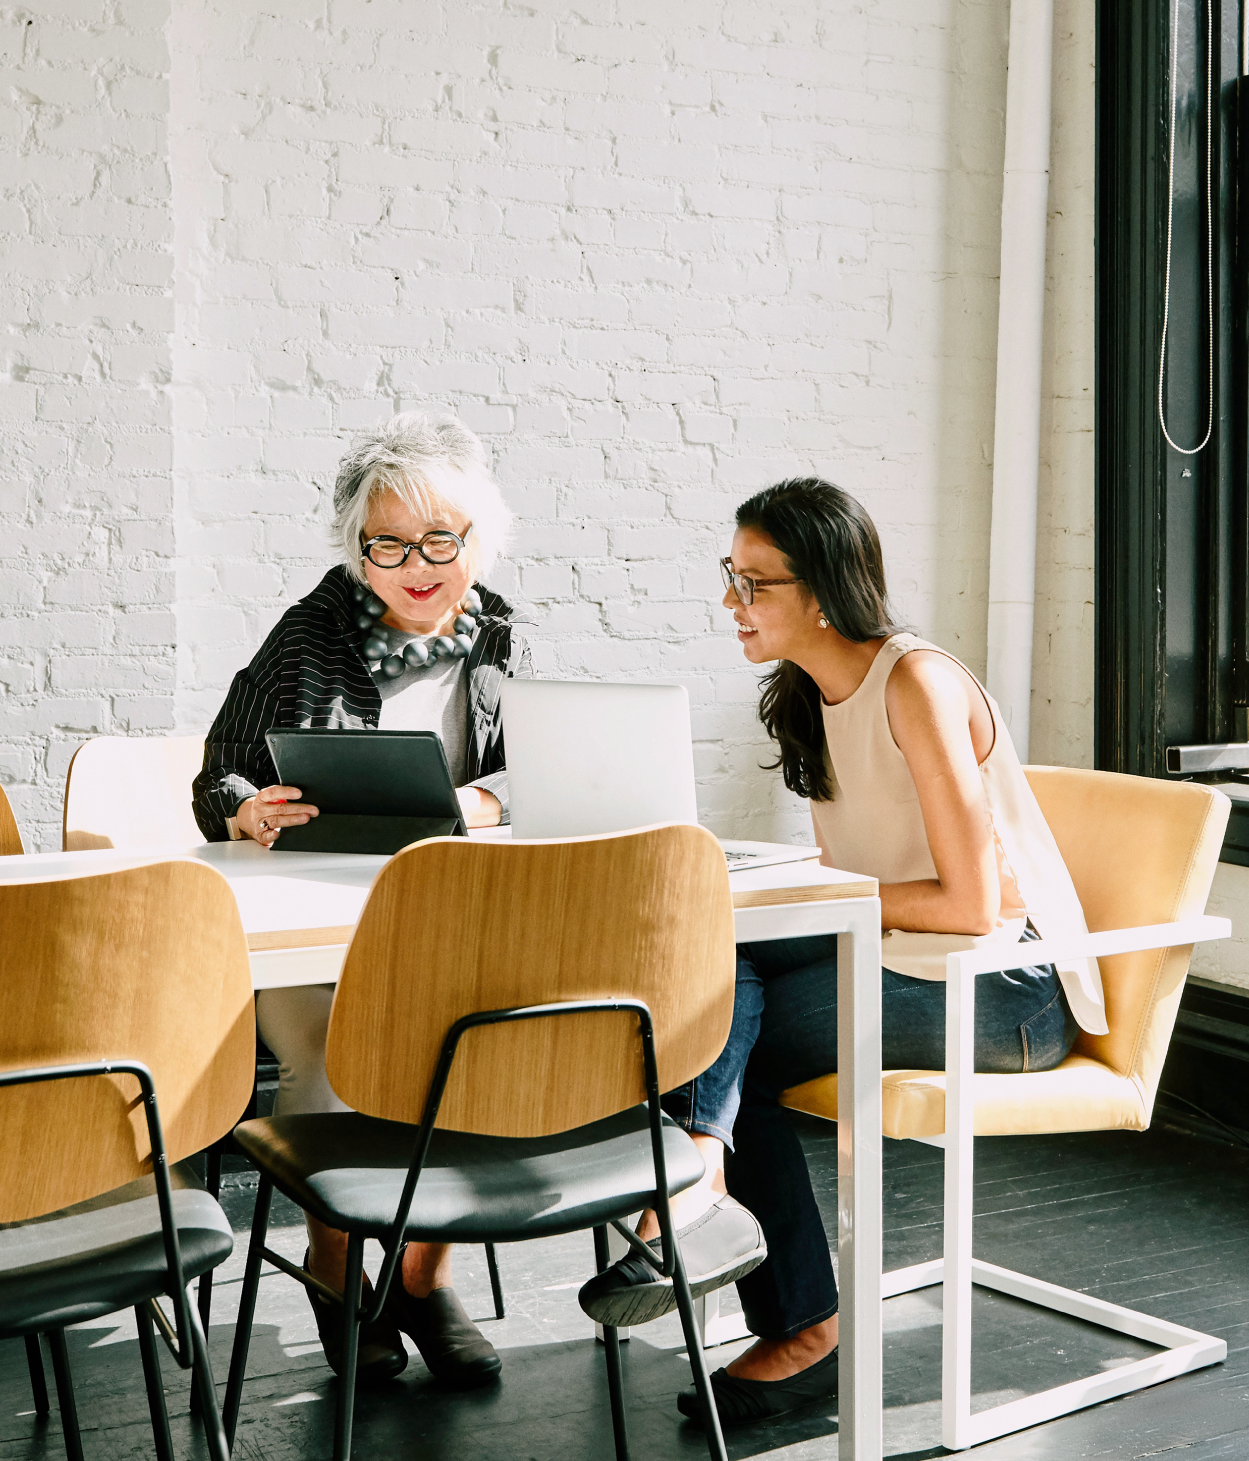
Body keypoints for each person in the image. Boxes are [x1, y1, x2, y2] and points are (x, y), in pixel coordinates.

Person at [580, 478, 1106, 1428]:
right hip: (900, 957)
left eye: (754, 583)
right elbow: (866, 873)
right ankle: (708, 1180)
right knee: (692, 971)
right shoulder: (809, 691)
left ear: (820, 588)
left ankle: (774, 1288)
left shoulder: (916, 680)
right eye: (729, 576)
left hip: (1000, 986)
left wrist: (806, 894)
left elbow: (968, 901)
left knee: (718, 1036)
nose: (731, 602)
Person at [193, 412, 531, 1390]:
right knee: (346, 1051)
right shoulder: (309, 632)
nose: (415, 567)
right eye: (386, 545)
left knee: (470, 1039)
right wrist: (245, 806)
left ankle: (421, 1281)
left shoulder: (497, 630)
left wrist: (485, 797)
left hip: (436, 920)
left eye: (440, 542)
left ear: (477, 539)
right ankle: (335, 1271)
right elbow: (219, 772)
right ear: (357, 550)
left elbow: (533, 770)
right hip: (304, 935)